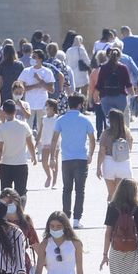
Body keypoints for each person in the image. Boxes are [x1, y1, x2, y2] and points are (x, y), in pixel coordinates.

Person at [53, 93, 97, 226]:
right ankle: (77, 219)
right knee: (80, 189)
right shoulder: (85, 120)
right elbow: (92, 139)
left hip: (66, 159)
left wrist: (52, 157)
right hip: (81, 159)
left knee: (66, 189)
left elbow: (54, 139)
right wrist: (90, 154)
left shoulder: (61, 120)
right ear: (80, 105)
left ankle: (65, 216)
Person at [0, 99, 37, 197]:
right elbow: (30, 143)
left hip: (5, 165)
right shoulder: (24, 125)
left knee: (5, 194)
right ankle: (20, 211)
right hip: (21, 164)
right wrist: (34, 156)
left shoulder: (1, 128)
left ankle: (7, 212)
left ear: (3, 112)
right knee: (21, 193)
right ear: (15, 111)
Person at [92, 48, 135, 135]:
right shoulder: (123, 68)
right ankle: (120, 139)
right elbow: (129, 85)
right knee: (120, 120)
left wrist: (95, 96)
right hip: (121, 98)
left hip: (106, 97)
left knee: (109, 121)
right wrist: (133, 97)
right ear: (119, 57)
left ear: (109, 56)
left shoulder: (103, 68)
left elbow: (99, 84)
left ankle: (110, 141)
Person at [97, 107, 135, 206]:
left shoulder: (106, 133)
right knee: (122, 194)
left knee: (111, 193)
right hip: (124, 164)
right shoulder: (127, 132)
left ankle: (111, 215)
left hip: (110, 163)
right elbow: (130, 148)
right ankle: (122, 216)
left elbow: (102, 152)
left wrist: (98, 167)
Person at [16, 54, 56, 125]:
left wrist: (40, 80)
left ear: (40, 59)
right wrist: (36, 86)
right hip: (29, 104)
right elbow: (20, 88)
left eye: (34, 57)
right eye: (32, 57)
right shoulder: (26, 71)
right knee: (28, 126)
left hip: (43, 104)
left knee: (42, 127)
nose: (32, 59)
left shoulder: (47, 71)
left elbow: (51, 90)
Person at [37, 98, 61, 188]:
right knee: (44, 162)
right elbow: (40, 131)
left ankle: (54, 181)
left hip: (56, 143)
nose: (45, 107)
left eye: (47, 105)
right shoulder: (43, 118)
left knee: (54, 161)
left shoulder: (57, 118)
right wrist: (36, 142)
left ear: (52, 107)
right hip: (45, 142)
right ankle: (49, 176)